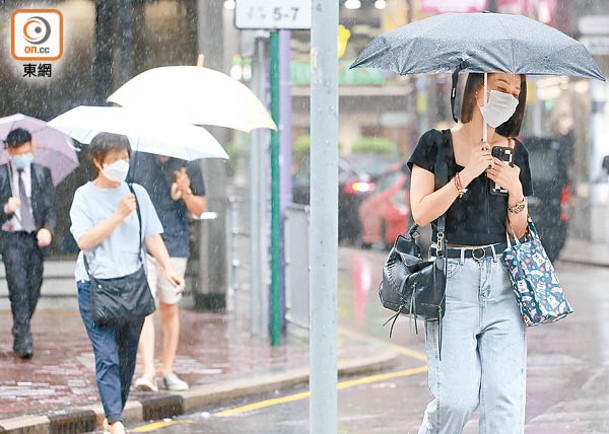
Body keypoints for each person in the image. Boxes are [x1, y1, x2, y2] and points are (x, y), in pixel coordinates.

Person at [407, 72, 532, 434]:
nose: (509, 96)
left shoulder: (515, 152)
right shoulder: (434, 144)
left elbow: (520, 230)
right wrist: (466, 176)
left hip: (502, 282)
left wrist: (514, 189)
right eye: (501, 87)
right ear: (478, 91)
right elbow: (422, 212)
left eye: (516, 91)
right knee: (455, 400)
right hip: (452, 282)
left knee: (503, 404)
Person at [70, 134, 185, 434]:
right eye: (114, 159)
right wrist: (119, 215)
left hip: (132, 285)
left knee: (125, 356)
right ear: (97, 161)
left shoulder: (137, 193)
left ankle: (113, 414)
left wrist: (168, 267)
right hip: (95, 287)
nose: (121, 164)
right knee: (106, 355)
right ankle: (116, 420)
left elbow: (152, 236)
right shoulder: (83, 196)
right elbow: (85, 240)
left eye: (125, 158)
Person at [129, 153, 206, 392]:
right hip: (142, 244)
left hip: (174, 244)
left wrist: (186, 192)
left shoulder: (188, 163)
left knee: (170, 308)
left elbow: (200, 209)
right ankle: (148, 370)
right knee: (144, 308)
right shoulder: (138, 158)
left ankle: (168, 369)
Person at [0, 128, 56, 359]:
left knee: (34, 287)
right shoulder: (2, 175)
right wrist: (4, 208)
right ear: (9, 151)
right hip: (11, 239)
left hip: (35, 239)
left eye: (27, 150)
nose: (23, 155)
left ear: (32, 147)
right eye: (18, 152)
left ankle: (20, 326)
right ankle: (24, 339)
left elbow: (51, 207)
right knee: (18, 288)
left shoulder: (42, 173)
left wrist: (48, 229)